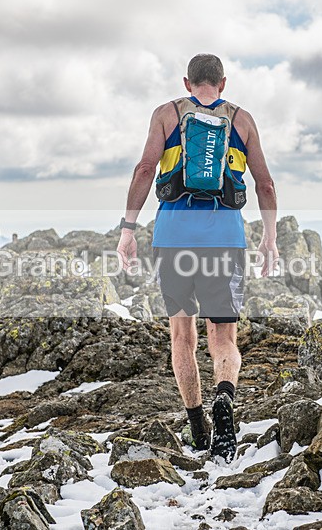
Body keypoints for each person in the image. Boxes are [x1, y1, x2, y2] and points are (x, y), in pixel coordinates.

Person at [116, 54, 279, 463]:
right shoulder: (241, 120)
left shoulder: (167, 115)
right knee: (223, 338)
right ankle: (225, 396)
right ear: (222, 83)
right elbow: (265, 184)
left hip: (173, 240)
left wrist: (128, 230)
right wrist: (270, 238)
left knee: (182, 337)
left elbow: (144, 170)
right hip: (225, 239)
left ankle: (197, 425)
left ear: (188, 82)